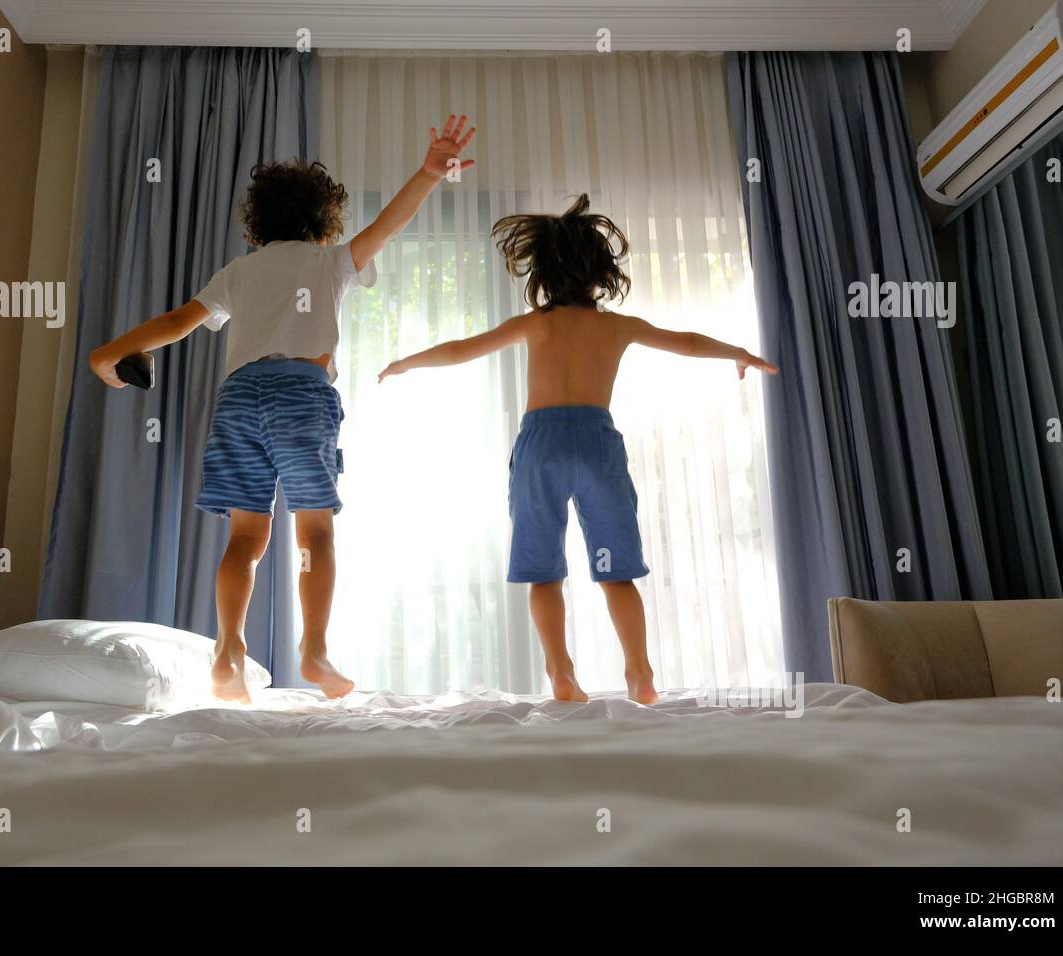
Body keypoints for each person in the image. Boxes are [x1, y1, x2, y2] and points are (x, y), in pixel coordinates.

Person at [90, 116, 477, 703]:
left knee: (245, 539)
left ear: (259, 221)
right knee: (314, 532)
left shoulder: (239, 272)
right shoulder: (330, 262)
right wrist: (427, 174)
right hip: (302, 393)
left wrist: (111, 352)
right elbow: (387, 228)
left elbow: (175, 323)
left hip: (239, 398)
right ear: (323, 220)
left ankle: (227, 649)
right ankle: (314, 650)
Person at [378, 195, 777, 703]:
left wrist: (406, 363)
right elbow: (687, 341)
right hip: (596, 445)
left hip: (541, 445)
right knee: (618, 572)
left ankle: (561, 671)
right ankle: (640, 673)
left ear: (542, 273)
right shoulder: (616, 326)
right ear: (600, 273)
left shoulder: (535, 324)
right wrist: (737, 353)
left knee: (543, 572)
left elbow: (462, 349)